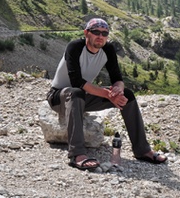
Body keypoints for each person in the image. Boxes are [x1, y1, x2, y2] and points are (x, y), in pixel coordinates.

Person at [46, 18, 168, 170]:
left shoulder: (108, 49)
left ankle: (142, 150)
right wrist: (106, 94)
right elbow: (77, 81)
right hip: (59, 97)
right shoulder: (75, 47)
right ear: (86, 33)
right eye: (96, 32)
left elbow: (117, 78)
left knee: (128, 95)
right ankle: (76, 154)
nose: (100, 36)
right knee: (76, 92)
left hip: (83, 98)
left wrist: (118, 90)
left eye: (104, 33)